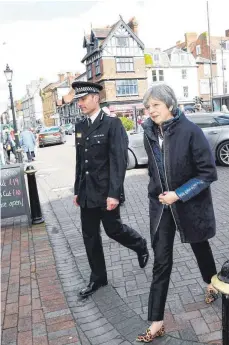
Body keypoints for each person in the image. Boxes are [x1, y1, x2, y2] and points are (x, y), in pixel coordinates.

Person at [136, 83, 218, 343]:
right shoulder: (149, 133)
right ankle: (156, 321)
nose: (151, 111)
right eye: (148, 107)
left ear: (170, 105)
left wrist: (179, 194)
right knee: (161, 262)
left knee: (200, 246)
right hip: (161, 207)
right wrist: (157, 193)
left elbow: (208, 173)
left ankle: (211, 283)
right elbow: (154, 170)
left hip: (189, 204)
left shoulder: (190, 131)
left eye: (156, 106)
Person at [72, 81, 149, 298]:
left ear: (96, 98)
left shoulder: (112, 124)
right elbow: (80, 161)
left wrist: (115, 193)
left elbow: (119, 161)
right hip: (87, 192)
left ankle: (140, 244)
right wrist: (77, 189)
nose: (81, 104)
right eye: (79, 100)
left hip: (106, 192)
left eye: (84, 99)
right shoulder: (81, 126)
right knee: (90, 236)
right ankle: (98, 278)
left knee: (113, 230)